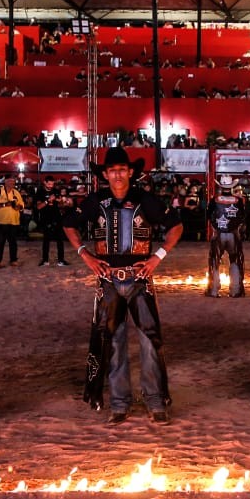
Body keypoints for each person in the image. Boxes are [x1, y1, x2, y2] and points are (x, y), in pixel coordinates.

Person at [63, 147, 183, 424]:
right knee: (113, 341)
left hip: (140, 278)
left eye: (122, 169)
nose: (117, 174)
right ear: (105, 174)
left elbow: (175, 226)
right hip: (108, 280)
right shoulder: (96, 200)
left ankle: (155, 401)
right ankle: (119, 402)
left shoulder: (146, 200)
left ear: (130, 172)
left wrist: (158, 256)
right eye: (112, 170)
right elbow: (69, 224)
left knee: (150, 341)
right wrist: (85, 254)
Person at [205, 173, 249, 297]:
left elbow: (208, 215)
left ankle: (213, 290)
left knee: (215, 261)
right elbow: (242, 216)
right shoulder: (238, 200)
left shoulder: (215, 200)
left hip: (218, 233)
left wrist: (215, 226)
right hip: (233, 234)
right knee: (235, 260)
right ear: (231, 187)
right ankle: (235, 290)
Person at [0, 174, 26, 267]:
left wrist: (18, 207)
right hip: (1, 221)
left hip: (14, 221)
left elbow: (22, 204)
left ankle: (13, 260)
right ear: (5, 181)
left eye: (13, 181)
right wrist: (6, 204)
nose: (12, 183)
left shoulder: (16, 192)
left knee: (13, 242)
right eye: (9, 181)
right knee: (0, 242)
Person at [33, 174, 70, 266]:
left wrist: (62, 202)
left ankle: (61, 260)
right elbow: (38, 207)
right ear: (45, 182)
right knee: (46, 240)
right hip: (46, 218)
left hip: (56, 217)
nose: (50, 186)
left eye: (52, 184)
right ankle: (45, 260)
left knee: (60, 239)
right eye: (49, 184)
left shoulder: (56, 191)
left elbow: (61, 205)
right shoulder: (40, 192)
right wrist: (48, 201)